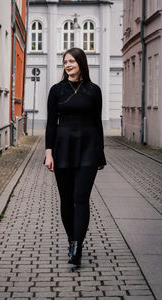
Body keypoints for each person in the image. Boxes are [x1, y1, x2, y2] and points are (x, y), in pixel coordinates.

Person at [45, 47, 106, 266]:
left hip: (88, 148)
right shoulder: (56, 90)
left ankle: (78, 246)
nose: (68, 65)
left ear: (81, 63)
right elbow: (51, 123)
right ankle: (72, 240)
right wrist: (48, 153)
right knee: (66, 200)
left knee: (80, 199)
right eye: (65, 61)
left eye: (72, 61)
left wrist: (101, 154)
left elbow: (98, 123)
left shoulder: (93, 90)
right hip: (63, 149)